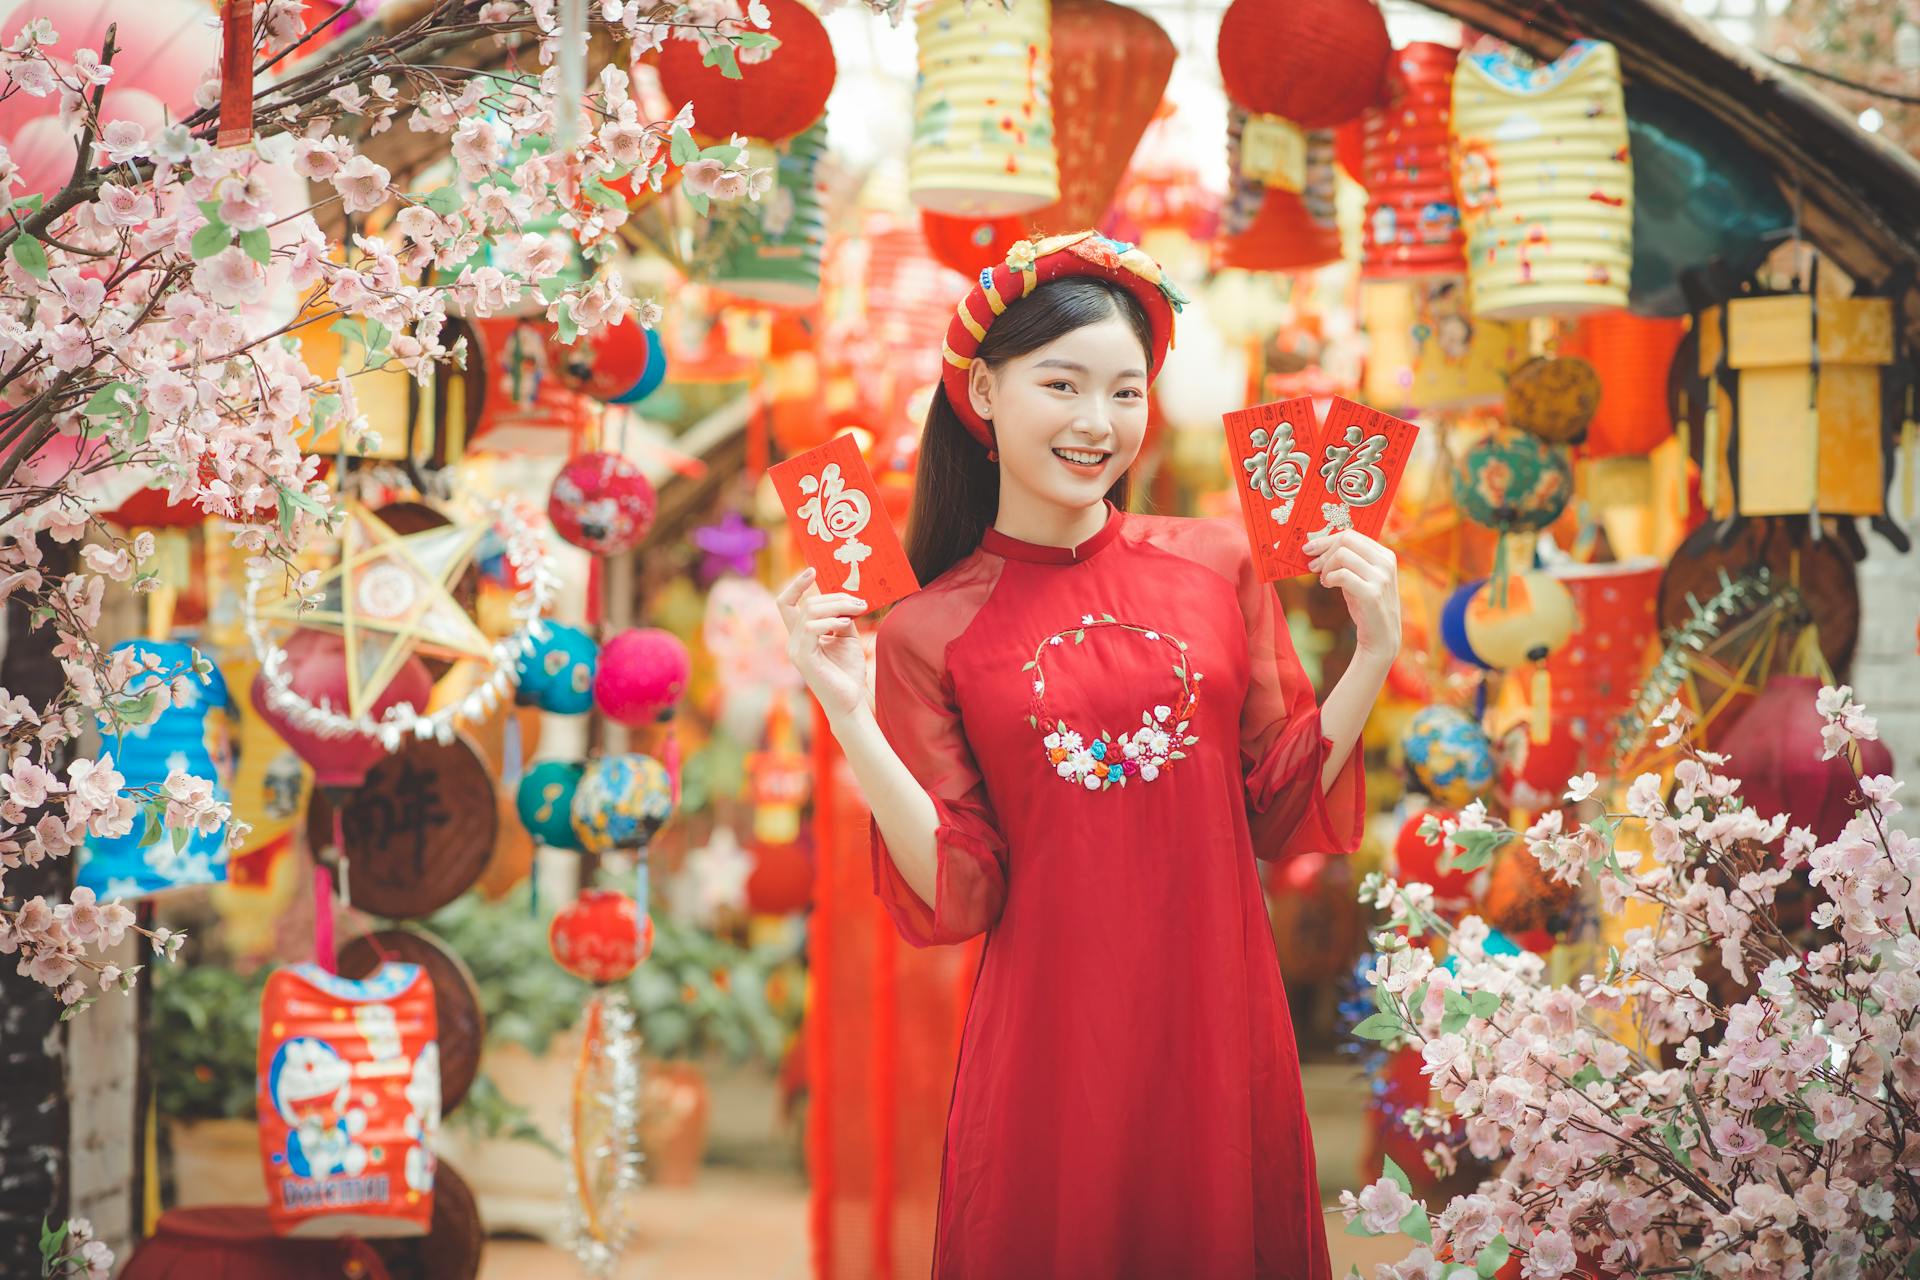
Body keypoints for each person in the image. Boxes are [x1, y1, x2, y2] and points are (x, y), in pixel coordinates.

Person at [777, 231, 1401, 1279]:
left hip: (1217, 1024)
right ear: (983, 386)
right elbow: (960, 888)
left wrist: (1374, 651)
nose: (1095, 421)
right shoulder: (928, 629)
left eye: (1123, 391)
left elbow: (1279, 806)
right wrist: (849, 715)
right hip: (1051, 1050)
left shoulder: (1218, 564)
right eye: (1061, 384)